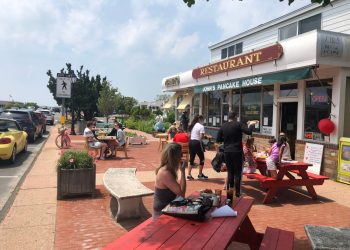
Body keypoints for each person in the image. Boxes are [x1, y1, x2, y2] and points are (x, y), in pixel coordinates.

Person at [216, 112, 258, 197]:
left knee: (230, 172)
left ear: (229, 117)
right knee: (238, 173)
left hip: (227, 151)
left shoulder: (223, 126)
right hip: (237, 151)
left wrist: (227, 139)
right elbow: (249, 132)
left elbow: (218, 139)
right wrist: (252, 124)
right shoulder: (238, 124)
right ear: (235, 117)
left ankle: (230, 193)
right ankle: (238, 193)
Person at [153, 143, 186, 220]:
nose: (182, 157)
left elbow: (179, 195)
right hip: (162, 214)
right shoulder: (165, 173)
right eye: (181, 154)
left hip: (169, 209)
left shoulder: (167, 169)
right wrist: (183, 172)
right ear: (175, 157)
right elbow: (182, 194)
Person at [187, 115, 208, 180]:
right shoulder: (201, 126)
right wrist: (204, 137)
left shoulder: (193, 125)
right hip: (197, 142)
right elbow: (201, 137)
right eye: (203, 119)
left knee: (191, 158)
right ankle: (200, 174)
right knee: (202, 158)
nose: (203, 121)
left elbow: (189, 134)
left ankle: (189, 175)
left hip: (191, 142)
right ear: (200, 119)